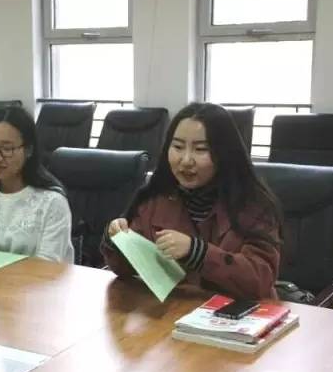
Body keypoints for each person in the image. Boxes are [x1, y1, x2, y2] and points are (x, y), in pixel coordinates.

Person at [101, 102, 282, 299]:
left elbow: (260, 280)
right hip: (175, 311)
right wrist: (117, 240)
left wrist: (198, 253)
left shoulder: (253, 205)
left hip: (238, 313)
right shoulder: (154, 200)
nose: (186, 160)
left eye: (200, 149)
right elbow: (126, 269)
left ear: (224, 153)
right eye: (178, 147)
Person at [0, 106, 74, 263]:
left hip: (40, 278)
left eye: (6, 148)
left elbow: (47, 265)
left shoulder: (52, 202)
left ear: (28, 150)